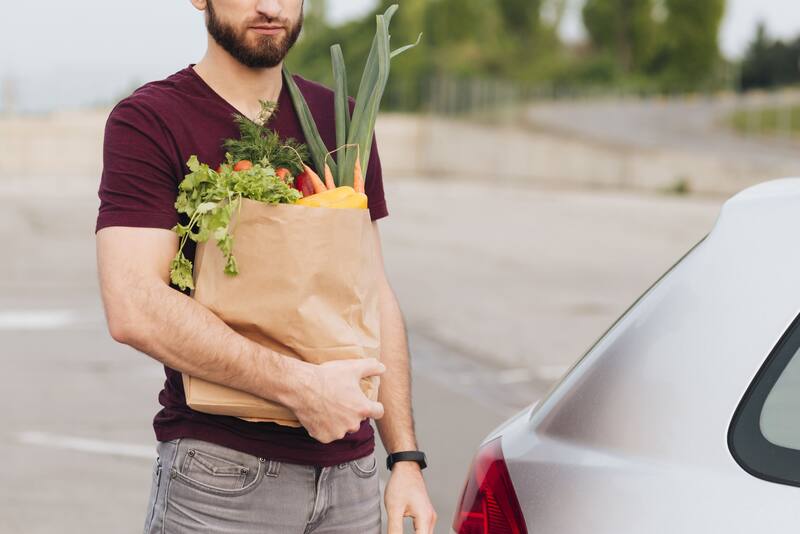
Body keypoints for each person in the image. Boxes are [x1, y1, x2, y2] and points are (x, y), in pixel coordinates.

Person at [94, 1, 437, 532]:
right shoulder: (150, 120)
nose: (270, 6)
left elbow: (374, 292)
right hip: (223, 479)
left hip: (355, 479)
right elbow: (133, 304)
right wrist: (303, 388)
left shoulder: (342, 119)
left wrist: (405, 460)